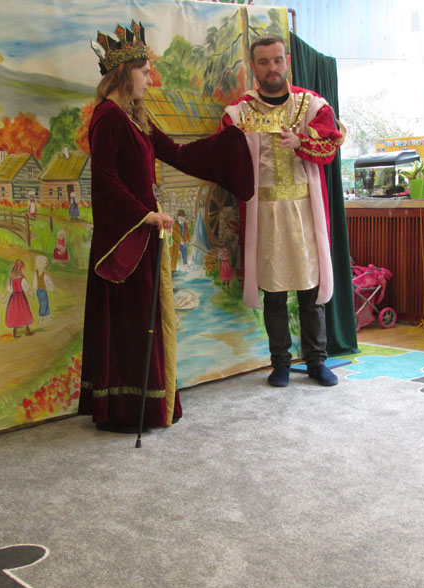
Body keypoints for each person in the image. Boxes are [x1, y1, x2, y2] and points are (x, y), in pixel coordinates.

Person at [80, 20, 253, 433]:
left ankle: (148, 403)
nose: (149, 78)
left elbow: (175, 153)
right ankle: (125, 410)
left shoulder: (136, 117)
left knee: (147, 318)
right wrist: (146, 214)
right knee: (131, 320)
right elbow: (104, 178)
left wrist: (229, 145)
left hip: (144, 233)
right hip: (127, 237)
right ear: (124, 73)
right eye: (144, 72)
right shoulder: (108, 118)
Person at [222, 35, 345, 388]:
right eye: (264, 62)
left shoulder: (311, 105)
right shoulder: (240, 112)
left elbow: (329, 145)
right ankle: (280, 363)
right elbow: (225, 154)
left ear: (287, 61)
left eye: (277, 60)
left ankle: (316, 361)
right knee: (273, 292)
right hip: (265, 213)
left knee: (310, 289)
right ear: (254, 67)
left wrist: (301, 141)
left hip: (304, 211)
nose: (272, 68)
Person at [4, 259, 34, 337]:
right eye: (23, 269)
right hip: (21, 298)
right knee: (24, 312)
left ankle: (15, 333)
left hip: (13, 298)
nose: (24, 271)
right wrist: (32, 294)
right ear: (20, 269)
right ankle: (27, 331)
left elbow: (9, 289)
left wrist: (5, 298)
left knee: (15, 313)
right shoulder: (22, 279)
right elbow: (27, 289)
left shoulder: (11, 279)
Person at [33, 255, 54, 325]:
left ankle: (48, 317)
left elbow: (47, 282)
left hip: (41, 291)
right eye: (44, 263)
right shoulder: (42, 274)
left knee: (46, 304)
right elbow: (36, 282)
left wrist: (50, 287)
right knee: (43, 305)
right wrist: (50, 287)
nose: (45, 265)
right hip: (41, 292)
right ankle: (41, 320)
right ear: (40, 264)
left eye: (45, 264)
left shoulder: (39, 273)